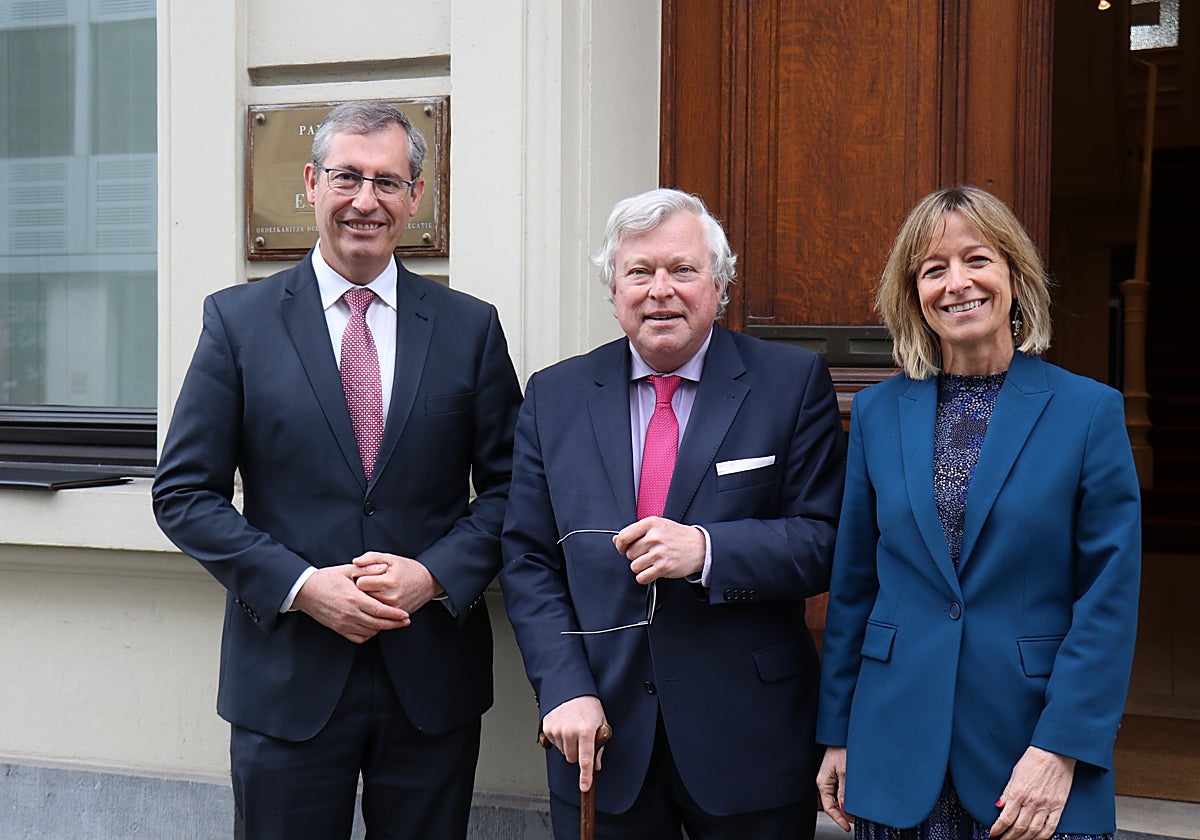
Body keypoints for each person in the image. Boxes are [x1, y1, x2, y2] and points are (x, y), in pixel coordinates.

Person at [152, 101, 522, 839]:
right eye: (348, 177)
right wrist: (300, 586)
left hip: (431, 680)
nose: (366, 201)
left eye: (388, 182)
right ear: (312, 184)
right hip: (288, 677)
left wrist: (434, 574)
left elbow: (516, 490)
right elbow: (184, 495)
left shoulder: (469, 328)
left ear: (416, 197)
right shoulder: (239, 323)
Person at [500, 187, 846, 839]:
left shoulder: (790, 383)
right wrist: (563, 687)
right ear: (614, 290)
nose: (661, 290)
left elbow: (824, 540)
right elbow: (526, 560)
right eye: (639, 272)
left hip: (751, 738)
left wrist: (709, 552)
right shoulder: (555, 396)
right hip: (599, 737)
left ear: (719, 285)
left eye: (682, 270)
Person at [815, 185, 1141, 840]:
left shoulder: (1089, 413)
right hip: (895, 744)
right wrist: (838, 733)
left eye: (978, 260)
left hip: (1031, 752)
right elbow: (854, 586)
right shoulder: (877, 415)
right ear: (914, 296)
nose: (957, 283)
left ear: (1015, 277)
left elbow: (1107, 599)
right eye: (933, 269)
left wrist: (1062, 748)